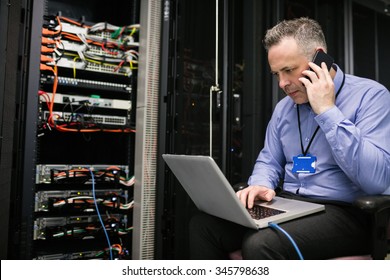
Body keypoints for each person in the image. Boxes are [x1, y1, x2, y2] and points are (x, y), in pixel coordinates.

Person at [189, 17, 390, 259]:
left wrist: (327, 111)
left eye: (288, 70)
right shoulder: (284, 108)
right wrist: (261, 183)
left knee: (260, 244)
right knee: (204, 226)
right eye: (276, 74)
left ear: (320, 59)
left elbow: (377, 180)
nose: (283, 83)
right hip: (290, 204)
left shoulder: (372, 97)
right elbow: (269, 159)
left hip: (346, 213)